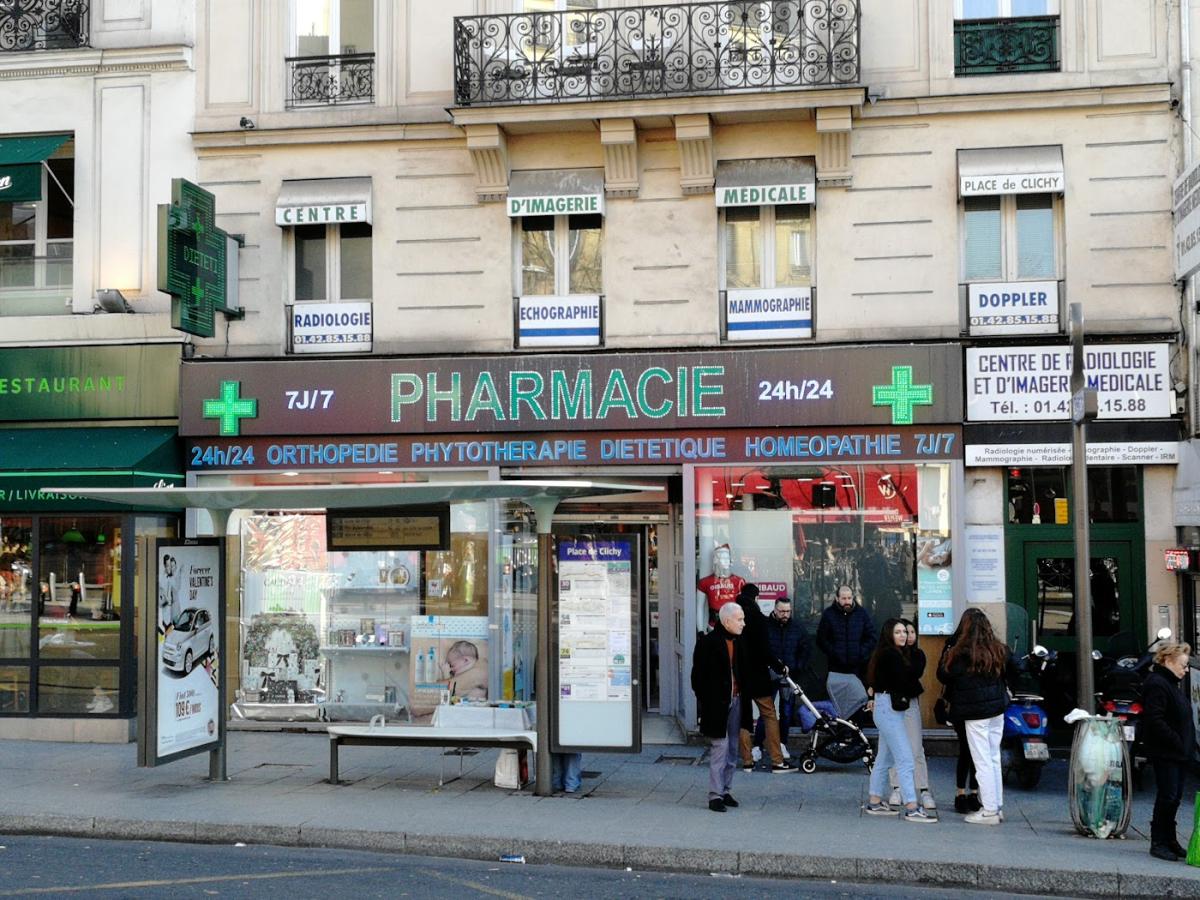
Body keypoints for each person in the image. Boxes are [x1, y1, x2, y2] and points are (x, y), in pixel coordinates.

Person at [937, 608, 1018, 826]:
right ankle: (997, 806)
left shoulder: (960, 653)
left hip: (974, 713)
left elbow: (943, 675)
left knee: (982, 761)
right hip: (996, 710)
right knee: (993, 758)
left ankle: (989, 810)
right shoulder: (999, 649)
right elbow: (1014, 670)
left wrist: (949, 650)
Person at [863, 618, 935, 823]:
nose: (903, 635)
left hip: (886, 707)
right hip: (889, 709)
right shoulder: (891, 655)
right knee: (905, 759)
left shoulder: (885, 653)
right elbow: (905, 680)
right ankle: (912, 806)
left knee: (885, 759)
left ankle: (875, 801)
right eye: (898, 632)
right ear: (889, 634)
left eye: (904, 631)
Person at [691, 601, 750, 812]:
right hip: (717, 705)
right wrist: (708, 701)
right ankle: (715, 795)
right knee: (720, 748)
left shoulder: (740, 641)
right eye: (739, 619)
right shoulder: (708, 643)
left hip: (737, 700)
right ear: (726, 621)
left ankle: (725, 790)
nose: (743, 623)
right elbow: (697, 678)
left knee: (733, 747)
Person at [1141, 641, 1195, 861]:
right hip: (1167, 751)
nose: (1186, 669)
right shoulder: (1158, 684)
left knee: (1174, 797)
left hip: (1178, 751)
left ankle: (1169, 839)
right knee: (1168, 796)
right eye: (1183, 665)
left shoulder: (1170, 683)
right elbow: (1155, 719)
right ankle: (1159, 841)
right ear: (1168, 661)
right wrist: (1177, 741)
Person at [735, 584, 792, 773]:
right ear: (756, 598)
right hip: (758, 674)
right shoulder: (759, 619)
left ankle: (747, 761)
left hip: (740, 675)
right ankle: (777, 760)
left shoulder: (734, 616)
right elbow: (765, 650)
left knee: (743, 718)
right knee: (769, 715)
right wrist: (779, 666)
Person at [753, 596, 811, 760]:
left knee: (786, 712)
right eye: (782, 611)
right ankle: (757, 745)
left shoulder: (797, 627)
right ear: (775, 610)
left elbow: (806, 649)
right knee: (766, 711)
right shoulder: (765, 626)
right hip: (768, 675)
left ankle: (782, 744)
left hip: (789, 676)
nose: (785, 614)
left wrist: (797, 667)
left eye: (788, 611)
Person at [887, 619, 935, 811]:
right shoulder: (890, 654)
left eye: (911, 632)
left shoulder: (918, 654)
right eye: (903, 632)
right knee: (894, 747)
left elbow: (913, 673)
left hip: (910, 702)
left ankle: (923, 789)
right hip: (892, 703)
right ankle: (897, 788)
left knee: (916, 747)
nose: (908, 636)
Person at [937, 618, 981, 814]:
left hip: (962, 704)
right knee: (972, 750)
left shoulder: (955, 645)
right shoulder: (981, 646)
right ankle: (969, 793)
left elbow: (943, 674)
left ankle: (964, 793)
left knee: (968, 750)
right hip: (971, 705)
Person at [816, 585, 876, 717]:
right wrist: (834, 653)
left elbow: (871, 637)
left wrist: (860, 653)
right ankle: (840, 728)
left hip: (857, 668)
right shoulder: (829, 614)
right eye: (843, 598)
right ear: (837, 598)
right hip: (836, 668)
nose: (847, 601)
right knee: (837, 702)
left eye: (849, 598)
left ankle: (857, 729)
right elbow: (821, 639)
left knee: (857, 701)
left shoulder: (862, 613)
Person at [697, 544, 746, 631]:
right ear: (716, 560)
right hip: (713, 627)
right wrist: (700, 631)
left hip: (734, 627)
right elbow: (699, 607)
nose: (727, 561)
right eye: (723, 558)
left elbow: (745, 607)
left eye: (728, 558)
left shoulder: (739, 581)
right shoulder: (705, 582)